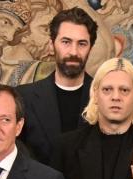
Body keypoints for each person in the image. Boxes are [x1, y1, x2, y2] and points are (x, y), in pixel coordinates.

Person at [16, 7, 97, 165]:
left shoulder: (104, 98)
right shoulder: (23, 98)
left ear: (90, 48)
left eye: (82, 44)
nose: (74, 52)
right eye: (66, 42)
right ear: (51, 45)